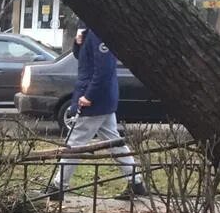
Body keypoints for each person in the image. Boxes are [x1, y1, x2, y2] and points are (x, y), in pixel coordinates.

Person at [48, 23, 147, 201]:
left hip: (95, 100)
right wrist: (77, 44)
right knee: (113, 141)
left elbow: (104, 70)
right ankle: (136, 182)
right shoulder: (90, 31)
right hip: (101, 98)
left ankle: (58, 186)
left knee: (75, 142)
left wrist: (89, 96)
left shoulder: (100, 33)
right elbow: (84, 59)